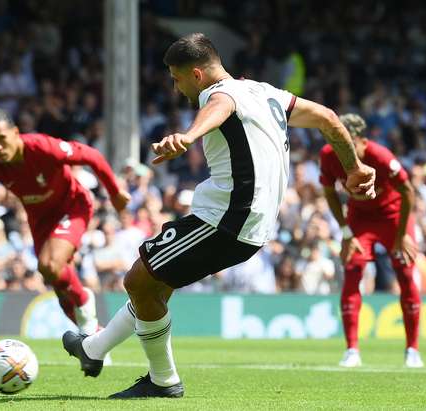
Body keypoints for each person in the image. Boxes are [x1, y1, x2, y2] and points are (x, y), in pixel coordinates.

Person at [62, 32, 376, 399]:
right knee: (155, 286)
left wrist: (188, 136)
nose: (176, 88)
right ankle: (93, 350)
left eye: (177, 78)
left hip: (227, 219)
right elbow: (327, 117)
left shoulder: (217, 94)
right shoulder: (266, 92)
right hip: (250, 223)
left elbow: (219, 106)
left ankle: (163, 381)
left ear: (196, 74)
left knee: (139, 281)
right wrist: (353, 167)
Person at [0, 109, 130, 335]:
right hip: (40, 220)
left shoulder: (42, 147)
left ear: (15, 133)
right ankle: (93, 338)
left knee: (49, 265)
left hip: (73, 206)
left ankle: (85, 298)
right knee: (56, 282)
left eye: (2, 139)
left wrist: (115, 192)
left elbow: (92, 156)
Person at [320, 113, 422, 368]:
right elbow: (329, 193)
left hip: (393, 218)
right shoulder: (328, 155)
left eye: (346, 142)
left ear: (360, 140)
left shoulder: (381, 157)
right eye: (337, 141)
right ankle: (352, 350)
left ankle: (412, 350)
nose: (342, 149)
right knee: (353, 271)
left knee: (406, 275)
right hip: (360, 220)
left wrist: (402, 236)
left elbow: (408, 192)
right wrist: (345, 232)